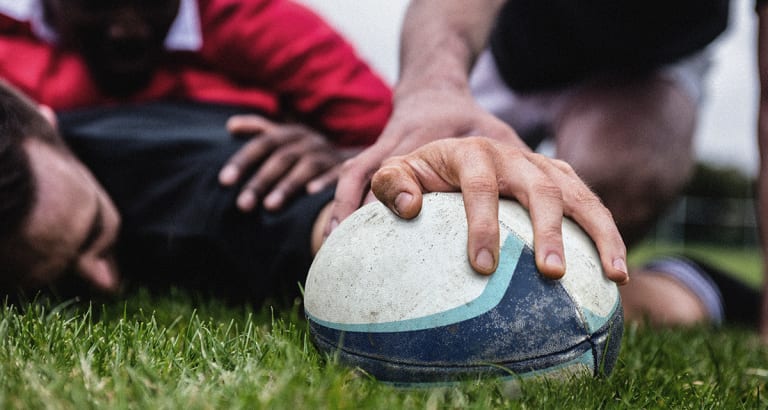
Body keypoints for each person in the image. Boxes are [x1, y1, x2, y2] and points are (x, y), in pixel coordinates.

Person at [0, 80, 629, 303]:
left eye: (92, 236)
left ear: (47, 121)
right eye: (54, 283)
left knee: (625, 291)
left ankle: (697, 284)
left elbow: (331, 223)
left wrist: (431, 178)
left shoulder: (194, 193)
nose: (105, 285)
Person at [328, 0, 739, 297]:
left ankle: (617, 287)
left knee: (607, 185)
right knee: (429, 169)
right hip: (514, 46)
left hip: (649, 63)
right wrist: (433, 90)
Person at [0, 0, 392, 212]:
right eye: (98, 3)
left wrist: (336, 158)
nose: (127, 29)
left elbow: (398, 137)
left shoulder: (255, 21)